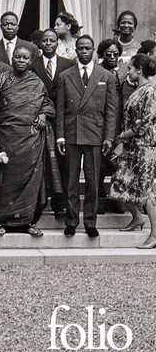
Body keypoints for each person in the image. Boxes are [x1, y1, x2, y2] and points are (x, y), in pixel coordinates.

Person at [0, 45, 56, 236]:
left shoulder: (36, 81)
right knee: (6, 180)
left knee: (31, 180)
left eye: (25, 58)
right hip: (7, 137)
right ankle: (2, 222)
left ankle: (28, 223)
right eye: (17, 57)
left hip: (30, 139)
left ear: (30, 61)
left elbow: (46, 102)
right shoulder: (1, 80)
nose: (20, 61)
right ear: (12, 58)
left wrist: (43, 114)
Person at [56, 35, 118, 237]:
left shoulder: (105, 75)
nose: (84, 51)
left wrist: (109, 137)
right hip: (72, 132)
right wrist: (60, 136)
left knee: (92, 181)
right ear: (75, 50)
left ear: (93, 51)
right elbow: (60, 109)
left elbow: (111, 111)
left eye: (87, 48)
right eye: (80, 48)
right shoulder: (66, 75)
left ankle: (90, 221)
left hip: (95, 133)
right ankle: (71, 221)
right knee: (71, 181)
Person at [109, 54, 156, 249]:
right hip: (133, 146)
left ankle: (155, 234)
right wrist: (124, 142)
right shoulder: (140, 90)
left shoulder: (151, 91)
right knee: (121, 182)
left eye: (130, 68)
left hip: (145, 146)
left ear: (139, 70)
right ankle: (137, 217)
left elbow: (145, 122)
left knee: (145, 189)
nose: (128, 72)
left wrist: (122, 136)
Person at [29, 29, 74, 218]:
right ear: (40, 44)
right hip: (39, 117)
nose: (48, 43)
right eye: (45, 40)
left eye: (52, 40)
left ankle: (60, 203)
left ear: (57, 43)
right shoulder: (32, 65)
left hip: (61, 118)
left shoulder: (68, 64)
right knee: (40, 159)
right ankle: (39, 201)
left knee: (62, 159)